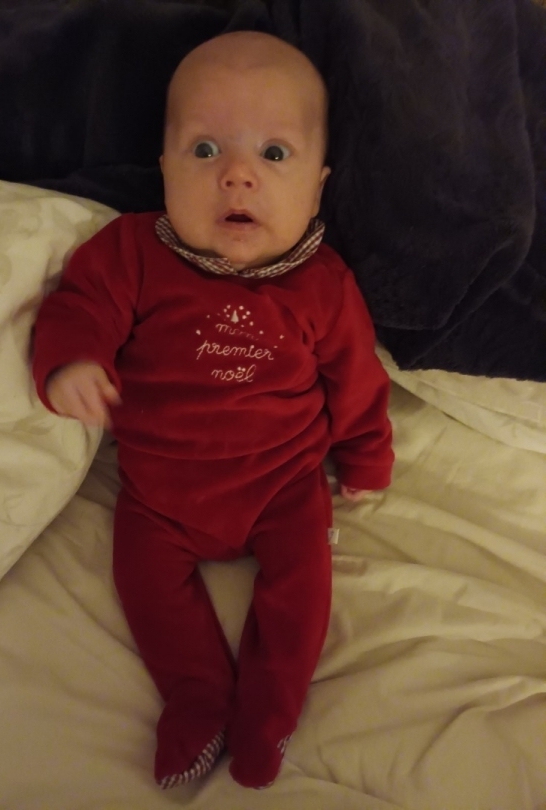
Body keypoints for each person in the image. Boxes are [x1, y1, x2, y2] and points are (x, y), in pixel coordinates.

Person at [32, 30, 394, 790]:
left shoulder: (323, 285)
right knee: (144, 584)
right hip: (159, 495)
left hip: (282, 485)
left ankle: (270, 713)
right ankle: (196, 698)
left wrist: (366, 458)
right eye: (204, 150)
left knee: (302, 593)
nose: (236, 175)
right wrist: (71, 362)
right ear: (164, 168)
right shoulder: (133, 253)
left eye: (274, 154)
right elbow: (81, 307)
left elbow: (357, 381)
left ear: (317, 188)